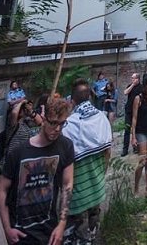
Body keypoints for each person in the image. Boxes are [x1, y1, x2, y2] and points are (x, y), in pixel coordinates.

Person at [0, 96, 74, 245]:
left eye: (62, 124)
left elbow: (67, 184)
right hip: (20, 235)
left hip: (49, 232)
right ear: (43, 118)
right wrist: (6, 228)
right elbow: (2, 190)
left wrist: (62, 224)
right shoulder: (18, 152)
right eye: (53, 123)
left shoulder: (66, 146)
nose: (57, 129)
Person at [63, 78, 112, 245]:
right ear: (90, 97)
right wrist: (101, 174)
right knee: (92, 232)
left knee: (74, 235)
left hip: (77, 194)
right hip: (97, 186)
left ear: (72, 99)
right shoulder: (102, 118)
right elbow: (108, 152)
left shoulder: (69, 125)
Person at [121, 72, 141, 156]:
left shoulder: (141, 87)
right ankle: (125, 149)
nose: (132, 79)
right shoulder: (130, 86)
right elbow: (125, 92)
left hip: (138, 112)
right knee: (127, 130)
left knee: (136, 130)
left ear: (138, 79)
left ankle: (135, 146)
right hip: (129, 111)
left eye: (134, 78)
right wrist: (132, 85)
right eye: (132, 78)